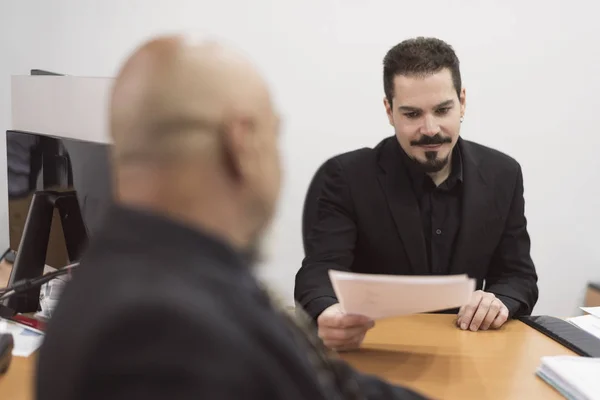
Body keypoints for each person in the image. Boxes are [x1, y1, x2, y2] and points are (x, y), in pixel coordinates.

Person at [36, 35, 427, 400]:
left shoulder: (149, 281)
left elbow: (331, 386)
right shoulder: (164, 335)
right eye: (275, 134)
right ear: (242, 144)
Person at [295, 37, 539, 350]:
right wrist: (329, 312)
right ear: (389, 110)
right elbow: (318, 272)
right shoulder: (346, 176)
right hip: (376, 348)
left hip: (467, 352)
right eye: (412, 114)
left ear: (462, 102)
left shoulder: (503, 174)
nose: (430, 129)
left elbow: (518, 275)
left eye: (442, 110)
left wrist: (499, 301)